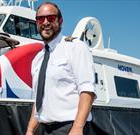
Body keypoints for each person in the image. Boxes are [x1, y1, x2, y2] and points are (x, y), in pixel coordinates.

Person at [26, 2, 96, 135]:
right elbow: (39, 99)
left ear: (60, 21)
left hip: (70, 127)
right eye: (41, 19)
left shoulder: (75, 47)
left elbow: (87, 90)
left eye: (51, 18)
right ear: (37, 23)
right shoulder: (38, 59)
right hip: (44, 129)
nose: (45, 22)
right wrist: (30, 130)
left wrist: (77, 128)